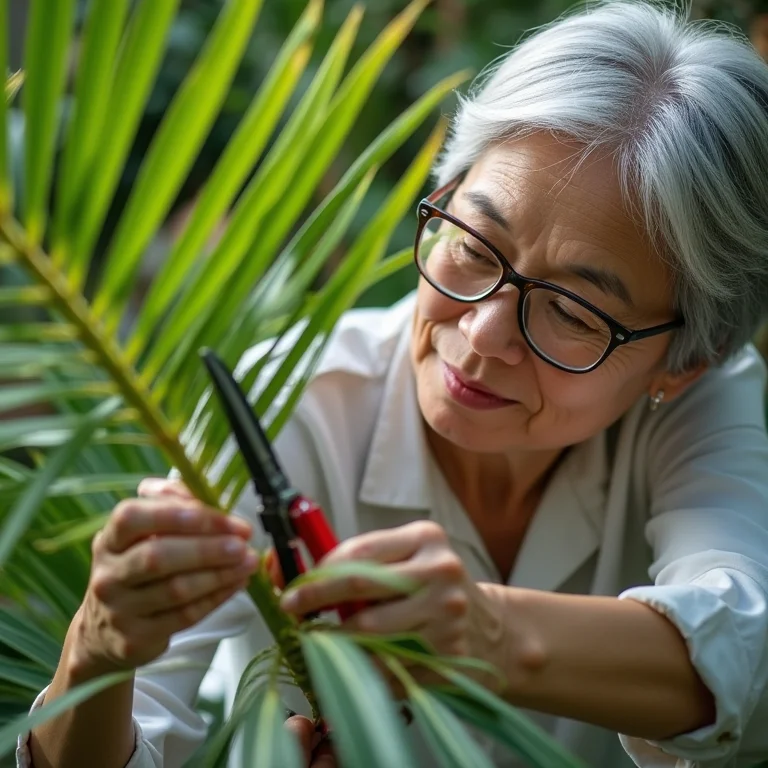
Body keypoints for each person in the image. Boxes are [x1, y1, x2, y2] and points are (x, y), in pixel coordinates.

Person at [18, 1, 768, 766]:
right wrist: (98, 653)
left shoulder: (705, 405)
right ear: (442, 198)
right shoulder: (294, 404)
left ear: (682, 366)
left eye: (574, 310)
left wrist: (488, 636)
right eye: (475, 245)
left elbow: (748, 653)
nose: (482, 335)